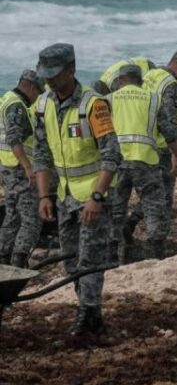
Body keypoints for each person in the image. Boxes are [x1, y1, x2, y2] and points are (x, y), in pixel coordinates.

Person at [32, 44, 121, 336]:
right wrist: (45, 195)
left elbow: (111, 155)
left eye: (54, 75)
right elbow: (42, 155)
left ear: (71, 70)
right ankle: (91, 313)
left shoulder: (93, 105)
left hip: (94, 197)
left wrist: (97, 197)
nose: (49, 81)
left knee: (89, 259)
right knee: (71, 260)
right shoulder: (43, 105)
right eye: (45, 76)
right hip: (63, 198)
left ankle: (87, 316)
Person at [108, 64, 177, 263]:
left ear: (121, 80)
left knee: (116, 208)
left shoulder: (108, 99)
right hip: (145, 160)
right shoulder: (152, 99)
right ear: (139, 81)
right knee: (153, 206)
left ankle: (115, 254)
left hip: (116, 162)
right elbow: (168, 132)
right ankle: (155, 251)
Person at [0, 70, 45, 269]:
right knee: (32, 219)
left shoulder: (6, 100)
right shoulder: (17, 106)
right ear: (29, 87)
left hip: (7, 167)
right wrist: (28, 167)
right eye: (38, 92)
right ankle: (18, 262)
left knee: (13, 215)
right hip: (19, 169)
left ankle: (3, 257)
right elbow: (14, 138)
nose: (36, 97)